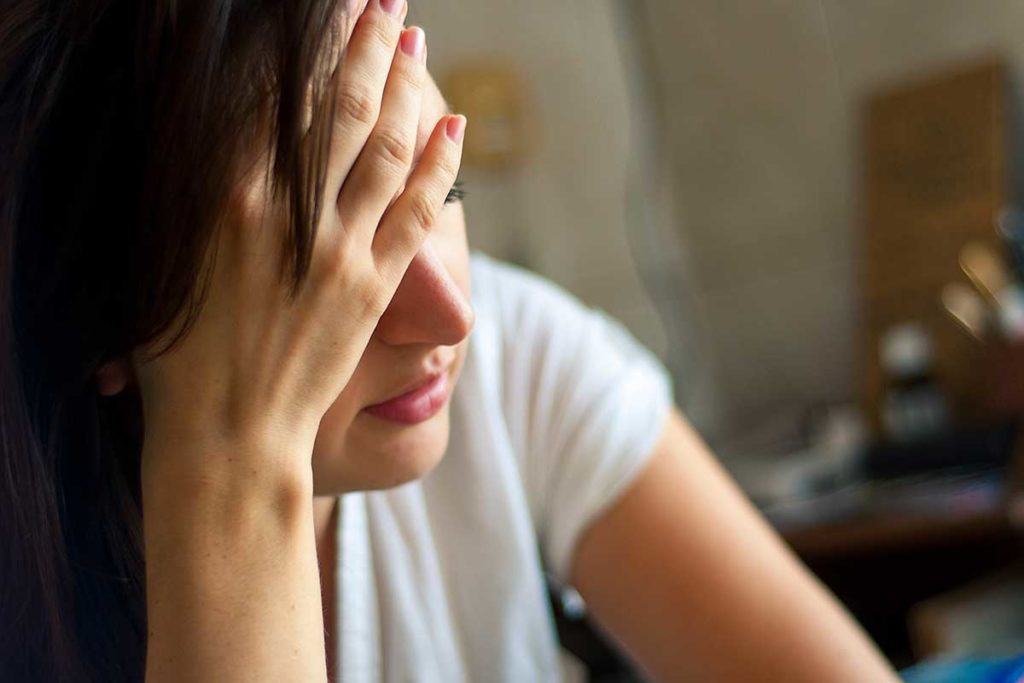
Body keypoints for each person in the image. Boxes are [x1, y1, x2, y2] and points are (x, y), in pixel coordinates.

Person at [0, 0, 900, 680]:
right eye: (322, 259)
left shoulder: (513, 352)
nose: (451, 316)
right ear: (105, 326)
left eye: (444, 195)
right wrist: (233, 458)